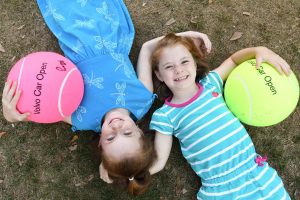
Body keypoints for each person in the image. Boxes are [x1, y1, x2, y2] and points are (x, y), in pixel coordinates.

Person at [145, 33, 291, 199]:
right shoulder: (165, 115)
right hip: (219, 190)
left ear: (194, 63)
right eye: (169, 67)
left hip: (256, 175)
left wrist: (259, 50)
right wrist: (129, 174)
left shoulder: (210, 83)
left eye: (184, 61)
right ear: (158, 75)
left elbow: (234, 60)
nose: (178, 70)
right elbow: (159, 160)